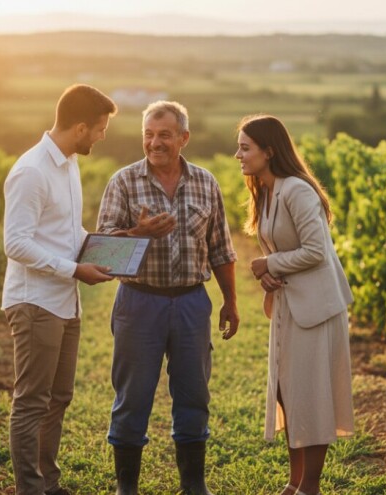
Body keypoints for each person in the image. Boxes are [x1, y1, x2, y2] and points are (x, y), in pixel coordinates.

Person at [97, 101, 240, 495]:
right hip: (139, 303)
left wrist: (230, 300)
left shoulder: (206, 183)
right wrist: (138, 234)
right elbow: (101, 252)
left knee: (194, 393)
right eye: (148, 134)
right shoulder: (123, 182)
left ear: (183, 138)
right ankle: (126, 487)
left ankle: (194, 485)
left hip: (192, 302)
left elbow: (221, 250)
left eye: (163, 134)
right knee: (132, 397)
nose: (154, 142)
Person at [2, 84, 118, 495]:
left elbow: (68, 233)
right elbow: (15, 242)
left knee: (59, 398)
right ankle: (31, 490)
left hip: (64, 302)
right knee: (32, 401)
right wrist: (73, 269)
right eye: (100, 129)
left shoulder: (68, 164)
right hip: (35, 302)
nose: (103, 137)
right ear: (81, 127)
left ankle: (49, 485)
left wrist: (121, 242)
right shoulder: (31, 171)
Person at [235, 114, 354, 495]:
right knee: (288, 391)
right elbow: (285, 250)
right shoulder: (267, 191)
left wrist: (269, 264)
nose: (238, 154)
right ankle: (294, 482)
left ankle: (310, 488)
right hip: (290, 305)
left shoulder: (298, 190)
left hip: (316, 309)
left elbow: (316, 252)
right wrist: (270, 275)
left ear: (269, 152)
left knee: (311, 394)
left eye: (245, 148)